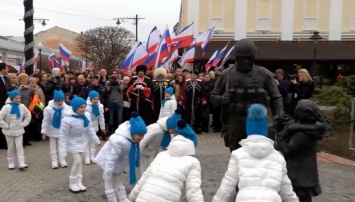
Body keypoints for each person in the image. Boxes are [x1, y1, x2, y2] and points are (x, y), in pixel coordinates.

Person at [213, 104, 299, 202]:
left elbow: (228, 186)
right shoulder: (278, 157)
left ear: (248, 129)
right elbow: (286, 190)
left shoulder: (238, 155)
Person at [210, 39, 283, 152]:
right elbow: (213, 96)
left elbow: (276, 98)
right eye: (242, 58)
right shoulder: (226, 74)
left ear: (253, 57)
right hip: (235, 119)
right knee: (236, 151)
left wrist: (278, 117)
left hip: (258, 119)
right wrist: (222, 99)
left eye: (248, 58)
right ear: (237, 58)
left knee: (259, 151)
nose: (245, 61)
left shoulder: (264, 74)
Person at [129, 120, 203, 202]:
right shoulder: (193, 162)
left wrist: (132, 197)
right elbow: (194, 191)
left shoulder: (161, 155)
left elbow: (144, 178)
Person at [279, 99, 332, 202]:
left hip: (298, 174)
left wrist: (280, 139)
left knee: (299, 197)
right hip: (306, 173)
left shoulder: (300, 134)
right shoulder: (310, 130)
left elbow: (288, 150)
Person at [95, 112, 147, 202]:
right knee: (109, 181)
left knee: (118, 179)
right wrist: (107, 172)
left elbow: (130, 156)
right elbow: (111, 158)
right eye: (140, 135)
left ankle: (122, 198)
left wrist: (126, 168)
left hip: (119, 161)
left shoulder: (134, 141)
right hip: (108, 160)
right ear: (132, 133)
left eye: (143, 135)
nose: (142, 138)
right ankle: (112, 199)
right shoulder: (119, 141)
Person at [59, 96, 100, 193]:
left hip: (83, 142)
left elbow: (90, 130)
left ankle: (79, 181)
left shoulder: (85, 116)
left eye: (84, 107)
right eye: (81, 107)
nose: (84, 109)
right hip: (72, 143)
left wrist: (96, 140)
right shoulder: (67, 120)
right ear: (75, 108)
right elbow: (63, 136)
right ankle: (72, 182)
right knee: (77, 161)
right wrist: (62, 151)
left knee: (79, 162)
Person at [140, 109, 182, 174]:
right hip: (143, 150)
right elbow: (144, 140)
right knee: (143, 167)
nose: (174, 132)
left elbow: (158, 145)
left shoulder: (164, 133)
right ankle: (143, 181)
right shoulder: (156, 129)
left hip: (151, 151)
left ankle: (149, 179)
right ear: (170, 126)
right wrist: (138, 153)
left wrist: (155, 156)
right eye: (173, 130)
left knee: (150, 167)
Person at [0, 90, 31, 170]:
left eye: (19, 98)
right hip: (9, 131)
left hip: (19, 130)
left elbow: (28, 115)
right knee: (10, 147)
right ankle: (11, 162)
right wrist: (6, 125)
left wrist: (23, 124)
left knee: (19, 146)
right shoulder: (6, 107)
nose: (18, 100)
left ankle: (21, 163)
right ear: (11, 98)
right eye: (16, 98)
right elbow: (0, 118)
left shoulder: (22, 106)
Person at [41, 88, 69, 169]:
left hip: (62, 131)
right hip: (52, 130)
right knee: (53, 146)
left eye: (61, 100)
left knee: (62, 146)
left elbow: (68, 119)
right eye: (58, 101)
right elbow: (45, 121)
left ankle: (62, 159)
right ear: (54, 100)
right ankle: (54, 161)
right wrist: (44, 132)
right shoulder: (48, 109)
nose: (60, 102)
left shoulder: (66, 108)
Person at [84, 90, 105, 165]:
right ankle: (86, 157)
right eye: (94, 99)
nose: (96, 101)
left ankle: (92, 156)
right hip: (86, 126)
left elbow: (101, 117)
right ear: (90, 99)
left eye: (97, 99)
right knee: (86, 141)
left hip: (95, 125)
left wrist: (103, 127)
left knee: (92, 141)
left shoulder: (100, 106)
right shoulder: (86, 106)